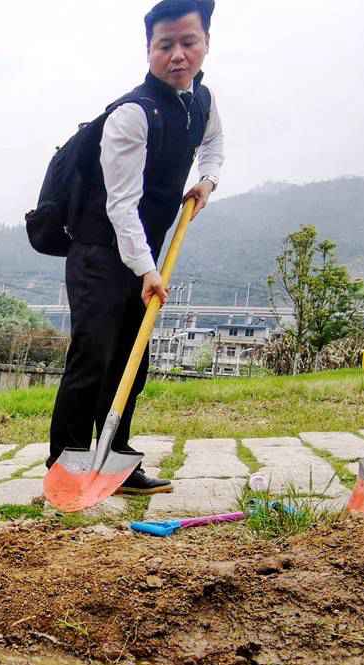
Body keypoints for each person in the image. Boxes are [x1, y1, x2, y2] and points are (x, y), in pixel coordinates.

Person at [47, 0, 224, 493]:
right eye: (164, 45)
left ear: (205, 43)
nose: (177, 55)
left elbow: (213, 147)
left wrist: (206, 182)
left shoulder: (202, 102)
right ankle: (65, 467)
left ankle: (117, 462)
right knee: (93, 358)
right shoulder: (133, 114)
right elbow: (120, 208)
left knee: (132, 360)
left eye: (188, 42)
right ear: (149, 50)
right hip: (99, 253)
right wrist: (148, 269)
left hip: (139, 255)